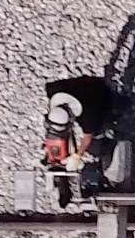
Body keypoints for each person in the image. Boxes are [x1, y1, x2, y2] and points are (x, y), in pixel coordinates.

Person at [43, 75, 124, 204]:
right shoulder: (53, 90)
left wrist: (78, 155)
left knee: (95, 148)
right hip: (84, 85)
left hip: (99, 93)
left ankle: (115, 109)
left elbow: (88, 137)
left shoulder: (88, 116)